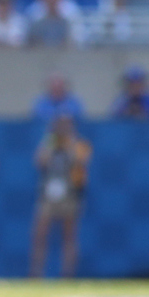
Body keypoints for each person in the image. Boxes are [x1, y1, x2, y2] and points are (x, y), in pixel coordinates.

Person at [30, 114, 92, 278]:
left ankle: (68, 273)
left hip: (69, 194)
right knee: (40, 234)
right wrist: (50, 142)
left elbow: (80, 161)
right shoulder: (49, 143)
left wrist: (69, 143)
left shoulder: (78, 143)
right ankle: (36, 273)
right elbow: (40, 161)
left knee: (69, 236)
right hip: (48, 195)